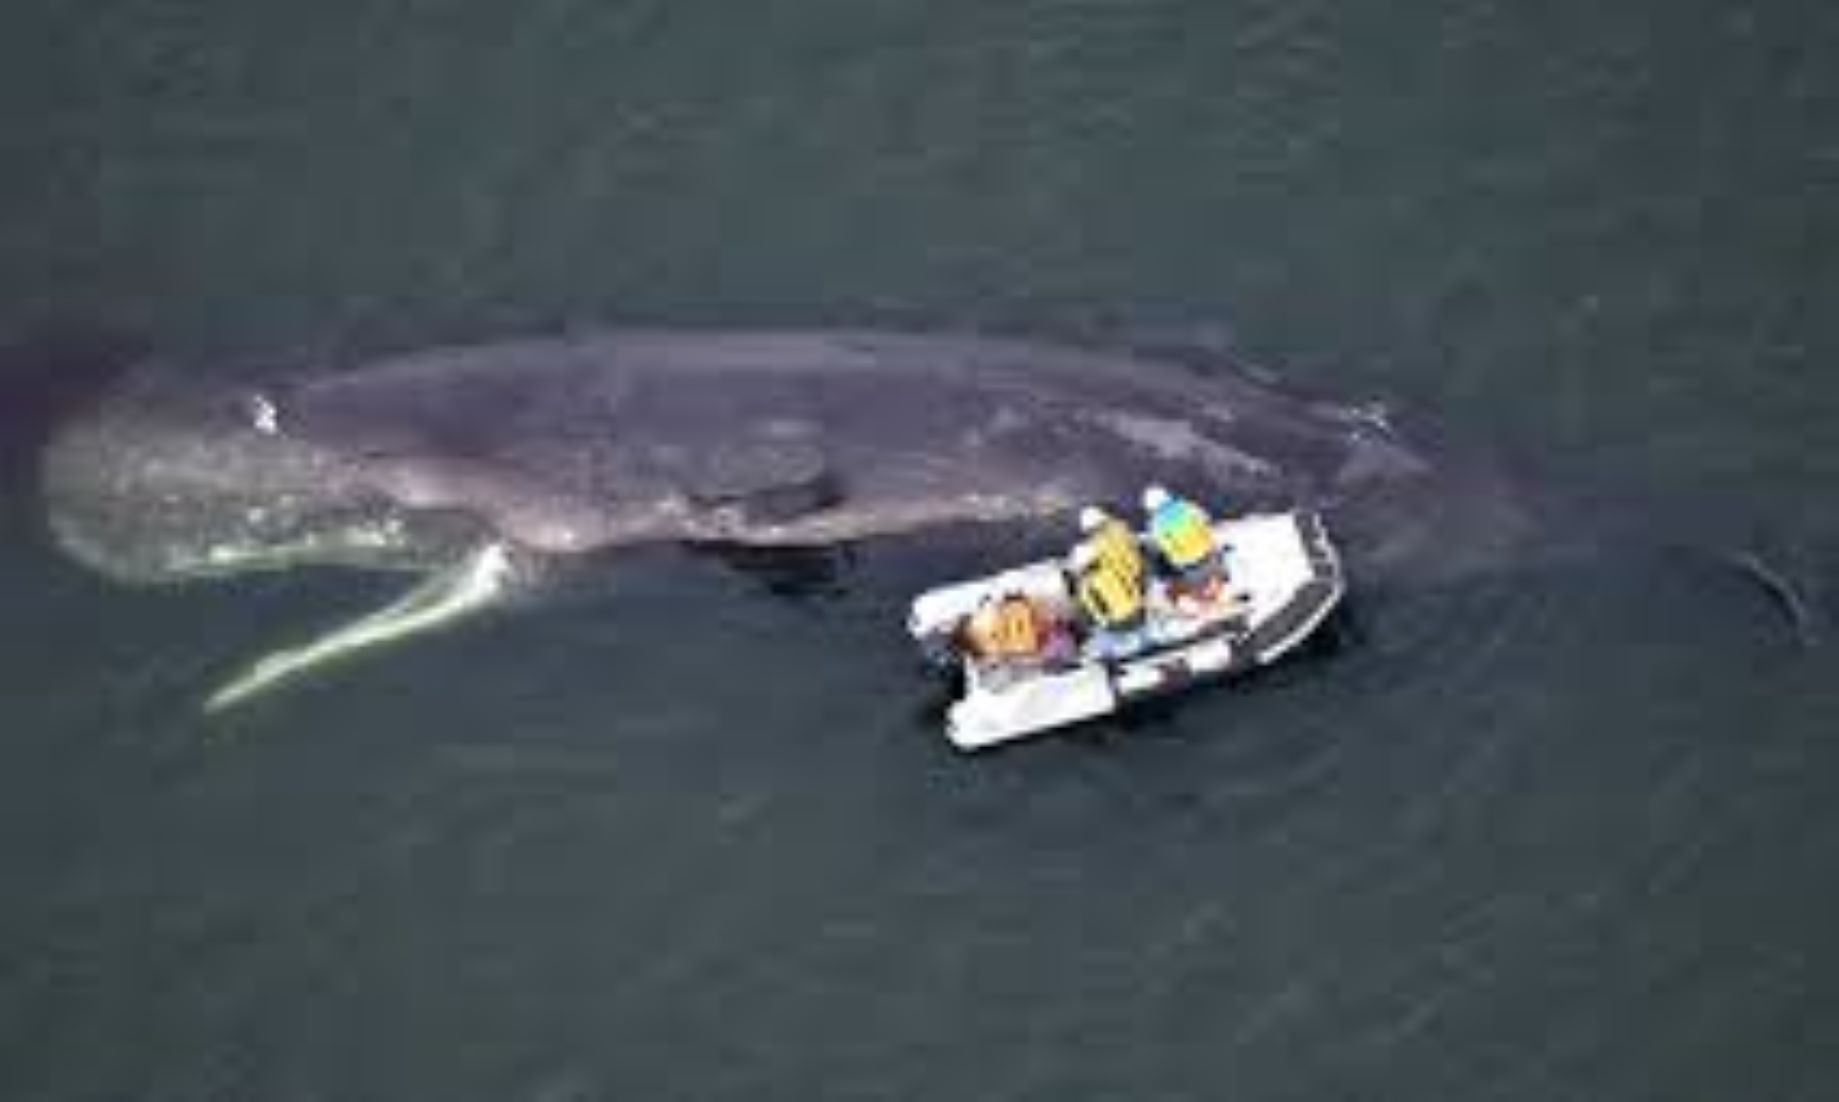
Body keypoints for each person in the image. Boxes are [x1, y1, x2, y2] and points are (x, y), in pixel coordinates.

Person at [1142, 484, 1226, 602]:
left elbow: (1164, 546)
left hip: (1188, 561)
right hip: (1207, 552)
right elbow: (1205, 520)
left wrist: (1176, 560)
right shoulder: (1186, 507)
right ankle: (1219, 593)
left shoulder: (1156, 523)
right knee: (1214, 575)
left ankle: (1205, 601)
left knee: (1198, 585)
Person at [1069, 542, 1147, 660]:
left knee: (1096, 636)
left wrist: (1104, 622)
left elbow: (1095, 608)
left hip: (1118, 622)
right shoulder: (1113, 569)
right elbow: (1132, 585)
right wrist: (1139, 603)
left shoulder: (1086, 585)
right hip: (1138, 613)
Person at [1077, 505, 1145, 590]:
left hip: (1129, 579)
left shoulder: (1097, 543)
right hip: (1134, 576)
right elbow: (1134, 545)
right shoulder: (1119, 527)